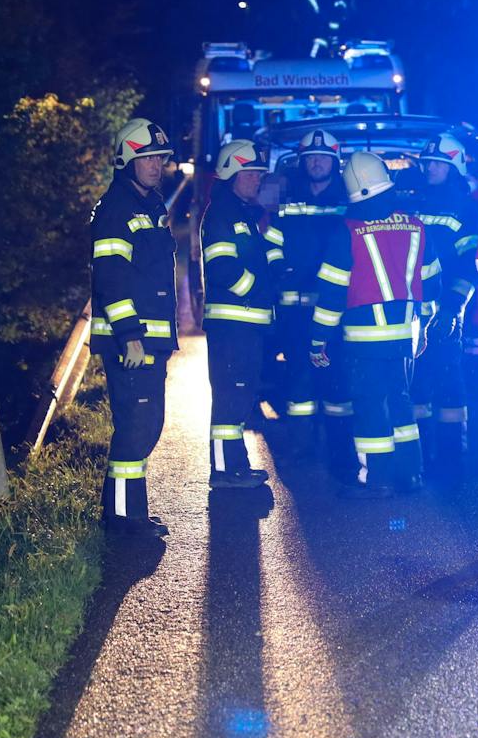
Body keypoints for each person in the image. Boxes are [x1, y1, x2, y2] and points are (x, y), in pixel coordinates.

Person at [310, 151, 443, 498]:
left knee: (370, 407)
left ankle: (377, 479)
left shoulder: (348, 231)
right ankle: (411, 474)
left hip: (364, 339)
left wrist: (318, 339)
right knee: (401, 402)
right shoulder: (415, 226)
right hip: (404, 337)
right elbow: (433, 285)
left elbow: (332, 294)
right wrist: (423, 325)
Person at [89, 117, 180, 538]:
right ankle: (124, 520)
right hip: (132, 342)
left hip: (147, 341)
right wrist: (129, 335)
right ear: (127, 159)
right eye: (147, 159)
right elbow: (110, 278)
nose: (155, 166)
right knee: (138, 425)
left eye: (159, 159)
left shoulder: (149, 207)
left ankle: (126, 511)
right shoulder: (117, 210)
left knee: (146, 423)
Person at [200, 140, 285, 490]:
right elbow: (222, 269)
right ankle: (224, 470)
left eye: (259, 174)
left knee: (239, 398)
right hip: (231, 325)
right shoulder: (222, 214)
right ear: (231, 174)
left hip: (245, 325)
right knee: (230, 398)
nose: (256, 180)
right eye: (250, 173)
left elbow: (261, 259)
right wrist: (260, 289)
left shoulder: (240, 213)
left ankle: (235, 465)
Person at [273, 129, 355, 477]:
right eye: (311, 158)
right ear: (302, 162)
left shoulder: (351, 199)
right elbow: (272, 240)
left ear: (335, 163)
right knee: (299, 384)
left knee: (338, 383)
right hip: (295, 311)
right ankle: (302, 451)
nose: (317, 162)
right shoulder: (286, 199)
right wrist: (279, 268)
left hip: (337, 311)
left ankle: (340, 454)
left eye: (323, 157)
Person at [406, 133, 478, 477]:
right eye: (427, 163)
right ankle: (422, 453)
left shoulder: (465, 207)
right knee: (418, 381)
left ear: (454, 167)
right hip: (412, 308)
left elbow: (468, 265)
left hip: (446, 309)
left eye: (438, 163)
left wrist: (453, 306)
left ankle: (452, 456)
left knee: (450, 380)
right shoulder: (414, 200)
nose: (430, 168)